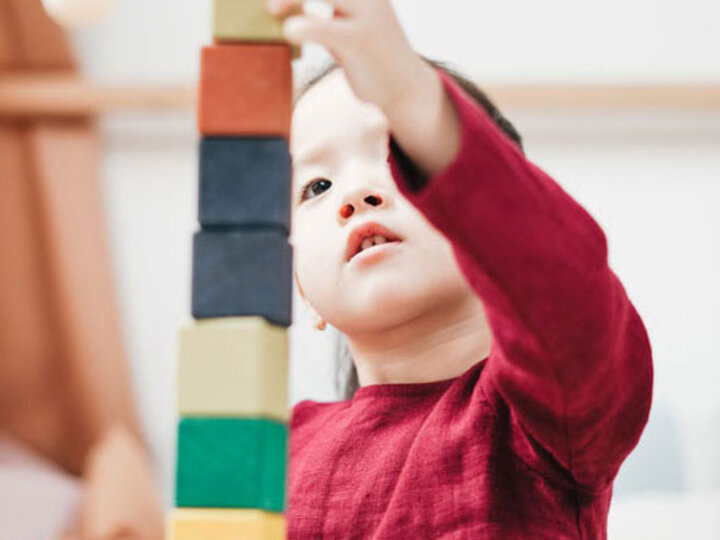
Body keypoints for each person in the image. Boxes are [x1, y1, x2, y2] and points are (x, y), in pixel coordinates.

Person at [268, 0, 654, 538]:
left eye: (400, 154)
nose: (355, 194)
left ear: (493, 226)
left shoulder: (540, 423)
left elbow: (569, 293)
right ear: (302, 290)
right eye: (317, 187)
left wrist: (408, 93)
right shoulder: (276, 453)